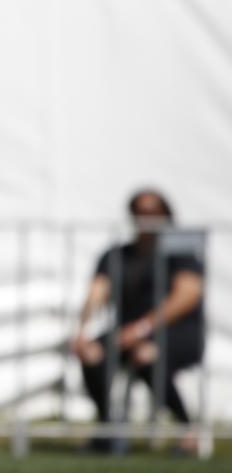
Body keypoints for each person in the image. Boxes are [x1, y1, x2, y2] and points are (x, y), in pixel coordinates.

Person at [70, 188, 205, 450]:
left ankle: (188, 429)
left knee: (145, 354)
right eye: (140, 212)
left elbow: (187, 295)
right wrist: (81, 329)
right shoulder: (118, 255)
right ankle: (109, 426)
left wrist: (143, 328)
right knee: (91, 352)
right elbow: (97, 292)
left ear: (166, 214)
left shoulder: (181, 254)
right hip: (127, 333)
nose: (147, 218)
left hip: (176, 334)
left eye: (153, 212)